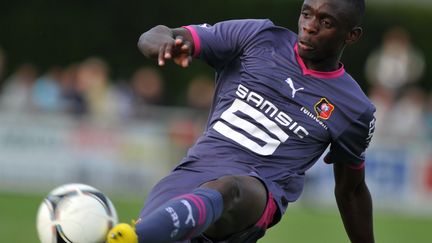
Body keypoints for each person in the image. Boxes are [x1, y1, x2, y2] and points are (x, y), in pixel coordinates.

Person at [107, 0, 376, 242]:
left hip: (258, 191)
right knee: (163, 224)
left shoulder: (354, 109)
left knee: (229, 187)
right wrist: (163, 43)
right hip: (191, 174)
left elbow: (351, 192)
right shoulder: (257, 37)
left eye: (326, 22)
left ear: (352, 35)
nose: (309, 27)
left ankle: (134, 238)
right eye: (306, 14)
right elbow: (157, 35)